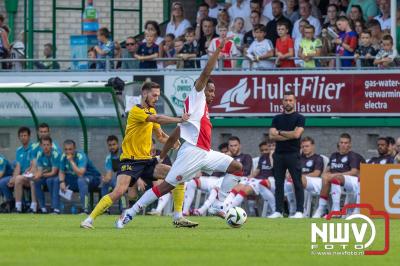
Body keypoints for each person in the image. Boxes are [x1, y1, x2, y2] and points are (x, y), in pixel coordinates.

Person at [116, 39, 244, 229]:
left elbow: (176, 134)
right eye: (210, 90)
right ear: (201, 88)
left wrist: (162, 155)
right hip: (191, 153)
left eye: (213, 92)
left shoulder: (198, 110)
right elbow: (206, 73)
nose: (212, 94)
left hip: (204, 153)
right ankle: (130, 213)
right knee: (166, 186)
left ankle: (219, 205)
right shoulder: (196, 95)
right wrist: (217, 51)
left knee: (236, 167)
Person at [80, 81, 190, 229]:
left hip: (147, 161)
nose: (157, 98)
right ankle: (89, 219)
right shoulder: (135, 111)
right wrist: (179, 119)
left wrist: (176, 144)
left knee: (178, 176)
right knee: (119, 191)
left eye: (158, 95)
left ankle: (178, 216)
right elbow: (156, 119)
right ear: (144, 94)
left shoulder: (152, 111)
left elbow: (161, 136)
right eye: (154, 95)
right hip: (130, 161)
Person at [268, 91, 305, 219]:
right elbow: (271, 136)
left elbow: (296, 135)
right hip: (278, 155)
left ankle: (300, 211)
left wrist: (279, 133)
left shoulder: (300, 118)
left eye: (290, 100)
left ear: (295, 101)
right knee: (278, 184)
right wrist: (287, 135)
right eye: (285, 100)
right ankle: (278, 211)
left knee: (297, 183)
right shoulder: (277, 118)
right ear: (282, 102)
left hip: (293, 154)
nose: (288, 102)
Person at [312, 133, 364, 218]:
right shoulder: (333, 155)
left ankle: (334, 209)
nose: (343, 145)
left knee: (335, 178)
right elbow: (326, 171)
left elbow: (354, 172)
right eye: (341, 142)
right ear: (338, 144)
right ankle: (323, 209)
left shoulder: (353, 156)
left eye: (346, 143)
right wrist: (327, 175)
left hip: (351, 180)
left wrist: (335, 175)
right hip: (335, 180)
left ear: (350, 145)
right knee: (326, 178)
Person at [284, 136, 324, 215]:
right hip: (300, 180)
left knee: (298, 179)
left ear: (313, 146)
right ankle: (293, 209)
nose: (304, 148)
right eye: (302, 147)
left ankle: (302, 210)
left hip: (314, 181)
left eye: (307, 146)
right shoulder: (299, 158)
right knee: (287, 183)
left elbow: (316, 173)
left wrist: (301, 176)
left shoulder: (318, 158)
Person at [59, 140, 101, 214]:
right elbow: (61, 171)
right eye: (66, 149)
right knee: (56, 180)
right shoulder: (63, 156)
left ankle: (86, 209)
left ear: (74, 148)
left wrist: (71, 161)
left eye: (70, 149)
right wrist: (62, 182)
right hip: (76, 179)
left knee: (82, 180)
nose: (68, 152)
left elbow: (81, 173)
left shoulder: (81, 156)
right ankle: (56, 209)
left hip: (92, 178)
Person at [5, 127, 34, 213]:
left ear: (29, 136)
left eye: (25, 135)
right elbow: (18, 167)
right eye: (21, 136)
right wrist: (12, 179)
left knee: (18, 178)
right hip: (23, 177)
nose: (23, 137)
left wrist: (25, 174)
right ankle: (15, 206)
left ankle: (24, 206)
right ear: (19, 137)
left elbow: (34, 165)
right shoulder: (18, 150)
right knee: (8, 181)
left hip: (32, 176)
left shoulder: (34, 148)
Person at [33, 136, 61, 214]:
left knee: (50, 180)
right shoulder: (40, 154)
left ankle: (55, 208)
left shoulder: (55, 154)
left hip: (57, 176)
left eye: (48, 145)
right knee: (36, 181)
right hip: (47, 175)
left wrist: (41, 174)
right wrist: (36, 176)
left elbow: (54, 172)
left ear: (51, 145)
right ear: (41, 146)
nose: (46, 147)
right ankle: (43, 208)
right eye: (44, 145)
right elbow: (40, 170)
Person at [101, 135, 126, 213]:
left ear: (118, 144)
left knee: (119, 184)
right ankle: (104, 208)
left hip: (130, 178)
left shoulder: (124, 153)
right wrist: (105, 179)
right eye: (110, 145)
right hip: (119, 180)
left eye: (114, 144)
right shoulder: (109, 158)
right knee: (105, 183)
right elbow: (109, 175)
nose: (112, 147)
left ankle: (124, 209)